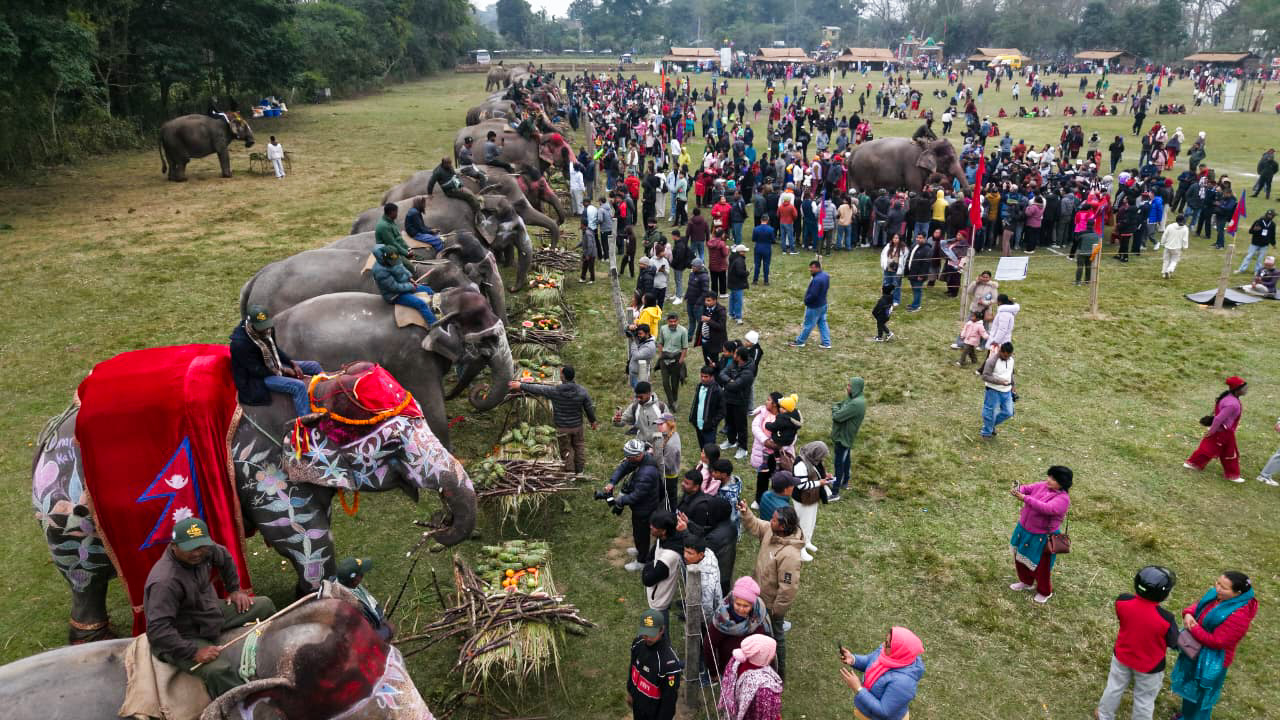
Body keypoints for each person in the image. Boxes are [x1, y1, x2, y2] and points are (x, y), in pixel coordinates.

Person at [144, 518, 277, 698]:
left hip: (210, 612)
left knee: (265, 605)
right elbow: (158, 630)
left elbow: (224, 557)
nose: (198, 553)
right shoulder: (165, 582)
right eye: (191, 548)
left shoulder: (204, 549)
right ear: (174, 546)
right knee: (219, 671)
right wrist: (193, 652)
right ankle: (247, 705)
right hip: (184, 633)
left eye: (201, 546)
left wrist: (234, 590)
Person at [1094, 566, 1179, 720]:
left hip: (1122, 656)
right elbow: (1174, 643)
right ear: (1163, 594)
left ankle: (1104, 715)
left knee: (1114, 687)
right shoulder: (1166, 619)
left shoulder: (1122, 601)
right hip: (1150, 667)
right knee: (1144, 699)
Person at [1170, 572, 1258, 720]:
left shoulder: (1239, 615)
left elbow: (1217, 641)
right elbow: (1199, 605)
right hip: (1198, 651)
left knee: (1201, 697)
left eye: (1223, 587)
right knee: (1192, 689)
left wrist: (1193, 628)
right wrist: (1188, 614)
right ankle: (1187, 715)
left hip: (1212, 661)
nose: (1217, 588)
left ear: (1237, 593)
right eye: (1217, 583)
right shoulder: (1218, 595)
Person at [736, 500, 803, 679]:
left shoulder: (790, 555)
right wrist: (746, 511)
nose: (770, 521)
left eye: (774, 520)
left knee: (776, 636)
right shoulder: (771, 532)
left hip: (771, 607)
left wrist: (776, 611)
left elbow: (788, 589)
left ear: (783, 526)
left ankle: (779, 673)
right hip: (758, 598)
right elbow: (757, 525)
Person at [229, 305, 325, 421]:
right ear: (251, 324)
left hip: (274, 364)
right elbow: (256, 370)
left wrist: (292, 363)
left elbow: (275, 349)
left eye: (266, 326)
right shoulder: (239, 344)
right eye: (261, 328)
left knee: (314, 366)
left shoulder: (267, 329)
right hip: (256, 378)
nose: (266, 330)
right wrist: (283, 370)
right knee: (298, 386)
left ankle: (327, 398)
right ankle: (306, 421)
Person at [508, 365, 597, 474]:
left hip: (562, 427)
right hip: (577, 426)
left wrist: (521, 385)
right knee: (579, 446)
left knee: (566, 449)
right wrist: (593, 421)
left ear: (563, 376)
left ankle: (570, 472)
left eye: (561, 373)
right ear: (573, 376)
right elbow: (588, 407)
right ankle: (580, 471)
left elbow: (538, 389)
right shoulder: (582, 391)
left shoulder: (555, 391)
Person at [1008, 465, 1073, 604]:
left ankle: (1044, 592)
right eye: (1049, 476)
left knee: (1042, 566)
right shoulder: (1042, 485)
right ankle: (1026, 582)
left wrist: (1025, 498)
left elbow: (1047, 509)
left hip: (1043, 537)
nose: (1049, 480)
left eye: (1053, 479)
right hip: (1024, 530)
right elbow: (1027, 488)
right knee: (1020, 558)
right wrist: (1018, 490)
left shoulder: (1063, 499)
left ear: (1063, 482)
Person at [838, 627, 925, 720]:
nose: (883, 645)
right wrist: (853, 660)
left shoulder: (903, 683)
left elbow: (884, 712)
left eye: (887, 644)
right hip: (868, 711)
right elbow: (870, 660)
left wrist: (858, 689)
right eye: (885, 640)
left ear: (899, 651)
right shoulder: (886, 652)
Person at [604, 439, 664, 572]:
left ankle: (642, 561)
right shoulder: (641, 459)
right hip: (641, 506)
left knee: (642, 534)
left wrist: (620, 501)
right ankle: (639, 550)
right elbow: (624, 467)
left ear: (637, 456)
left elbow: (637, 495)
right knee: (637, 531)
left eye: (628, 457)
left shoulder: (646, 473)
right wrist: (612, 482)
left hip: (645, 508)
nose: (626, 459)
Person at [703, 576, 773, 680]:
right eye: (738, 604)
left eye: (746, 606)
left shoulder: (759, 612)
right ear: (733, 600)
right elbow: (709, 646)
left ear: (753, 604)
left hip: (754, 669)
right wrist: (713, 672)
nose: (741, 609)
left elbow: (767, 640)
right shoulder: (722, 618)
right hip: (729, 668)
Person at [1184, 376, 1247, 483]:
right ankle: (1232, 475)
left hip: (1223, 431)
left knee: (1223, 451)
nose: (1246, 390)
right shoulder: (1232, 404)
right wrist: (1211, 431)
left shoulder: (1228, 396)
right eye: (1244, 388)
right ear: (1237, 390)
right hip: (1223, 432)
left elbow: (1217, 411)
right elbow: (1218, 418)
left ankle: (1193, 463)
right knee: (1223, 452)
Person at [627, 608, 683, 720]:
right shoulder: (638, 643)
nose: (646, 637)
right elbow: (632, 669)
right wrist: (630, 691)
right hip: (638, 707)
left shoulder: (669, 664)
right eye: (644, 632)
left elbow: (669, 703)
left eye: (651, 634)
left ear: (662, 630)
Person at [717, 635, 784, 720]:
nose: (774, 655)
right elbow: (767, 714)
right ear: (761, 657)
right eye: (771, 652)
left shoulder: (737, 662)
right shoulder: (765, 688)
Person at [371, 244, 438, 327]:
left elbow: (402, 268)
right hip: (395, 295)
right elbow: (394, 287)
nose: (395, 262)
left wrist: (410, 277)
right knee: (421, 304)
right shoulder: (380, 271)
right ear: (385, 259)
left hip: (406, 285)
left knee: (428, 289)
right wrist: (410, 286)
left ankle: (437, 309)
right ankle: (435, 325)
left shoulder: (392, 256)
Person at [333, 556, 393, 642]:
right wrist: (387, 631)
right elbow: (364, 637)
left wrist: (380, 617)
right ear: (355, 580)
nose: (363, 575)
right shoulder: (352, 608)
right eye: (361, 574)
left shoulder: (344, 583)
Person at [642, 511, 683, 629]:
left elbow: (647, 580)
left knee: (659, 633)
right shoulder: (665, 538)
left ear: (663, 530)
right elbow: (651, 555)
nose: (650, 526)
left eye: (654, 526)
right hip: (658, 596)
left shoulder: (669, 557)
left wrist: (647, 566)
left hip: (659, 602)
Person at [792, 441, 831, 561]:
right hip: (802, 499)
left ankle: (807, 541)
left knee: (810, 521)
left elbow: (816, 473)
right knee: (802, 524)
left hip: (812, 497)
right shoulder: (800, 464)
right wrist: (819, 483)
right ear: (815, 453)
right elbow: (801, 485)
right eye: (821, 456)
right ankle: (800, 549)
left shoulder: (813, 460)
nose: (822, 459)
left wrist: (825, 477)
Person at [830, 378, 866, 501]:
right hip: (846, 437)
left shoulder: (856, 403)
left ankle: (835, 492)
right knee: (846, 460)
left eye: (850, 386)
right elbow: (839, 404)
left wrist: (836, 409)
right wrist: (838, 407)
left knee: (838, 463)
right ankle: (844, 482)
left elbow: (837, 416)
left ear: (856, 387)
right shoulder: (854, 399)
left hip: (843, 438)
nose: (847, 387)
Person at [719, 346, 756, 460]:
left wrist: (728, 382)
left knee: (741, 426)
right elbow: (722, 373)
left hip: (740, 401)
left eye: (735, 353)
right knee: (729, 421)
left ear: (739, 357)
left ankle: (743, 448)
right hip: (728, 398)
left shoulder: (748, 371)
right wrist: (730, 380)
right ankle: (731, 441)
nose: (733, 355)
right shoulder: (734, 363)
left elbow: (735, 386)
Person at [426, 157, 483, 223]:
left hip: (455, 186)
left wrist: (460, 185)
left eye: (450, 163)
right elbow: (431, 183)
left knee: (469, 192)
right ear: (443, 163)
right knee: (469, 197)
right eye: (448, 164)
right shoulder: (437, 172)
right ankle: (478, 214)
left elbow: (455, 176)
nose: (450, 165)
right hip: (450, 191)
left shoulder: (449, 167)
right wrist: (429, 194)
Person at [790, 260, 831, 349]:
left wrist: (806, 301)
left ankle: (800, 341)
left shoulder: (817, 280)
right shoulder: (825, 276)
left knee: (808, 325)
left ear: (817, 267)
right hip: (823, 304)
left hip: (814, 307)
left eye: (811, 268)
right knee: (822, 323)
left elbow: (813, 294)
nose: (810, 270)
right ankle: (826, 343)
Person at [682, 536, 721, 624]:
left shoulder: (705, 581)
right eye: (684, 551)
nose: (685, 555)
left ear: (700, 555)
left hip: (708, 618)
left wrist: (697, 622)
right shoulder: (707, 552)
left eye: (690, 553)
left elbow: (707, 608)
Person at [980, 341, 1015, 439]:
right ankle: (986, 432)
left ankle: (990, 426)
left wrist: (1013, 386)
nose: (1007, 358)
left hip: (1007, 391)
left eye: (1009, 356)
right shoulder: (991, 361)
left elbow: (1010, 373)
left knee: (1009, 412)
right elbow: (985, 376)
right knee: (989, 412)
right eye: (1006, 356)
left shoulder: (1011, 360)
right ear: (1001, 351)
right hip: (993, 390)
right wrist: (1000, 381)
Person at [656, 314, 688, 413]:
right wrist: (661, 355)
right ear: (667, 321)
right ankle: (671, 402)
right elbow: (660, 343)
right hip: (664, 359)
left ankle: (674, 400)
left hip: (676, 359)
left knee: (675, 383)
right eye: (671, 321)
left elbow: (685, 347)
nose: (673, 323)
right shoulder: (663, 329)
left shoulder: (683, 331)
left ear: (678, 321)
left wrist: (681, 360)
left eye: (675, 321)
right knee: (665, 383)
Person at [689, 365, 725, 450]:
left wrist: (712, 424)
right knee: (702, 448)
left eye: (706, 377)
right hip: (698, 425)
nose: (703, 379)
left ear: (712, 377)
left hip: (709, 428)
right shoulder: (699, 386)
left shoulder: (718, 391)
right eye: (701, 376)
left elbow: (722, 411)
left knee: (709, 451)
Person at [655, 412, 682, 508]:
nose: (658, 426)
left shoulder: (671, 445)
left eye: (661, 424)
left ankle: (672, 516)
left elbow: (667, 466)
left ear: (670, 424)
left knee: (670, 499)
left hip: (668, 476)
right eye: (658, 424)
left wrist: (654, 457)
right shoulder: (671, 433)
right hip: (669, 474)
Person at [1238, 209, 1276, 275]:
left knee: (1260, 259)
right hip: (1255, 243)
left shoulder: (1273, 224)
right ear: (1266, 214)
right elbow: (1250, 231)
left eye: (1272, 215)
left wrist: (1273, 244)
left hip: (1264, 244)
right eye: (1269, 215)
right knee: (1249, 256)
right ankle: (1241, 269)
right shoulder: (1259, 221)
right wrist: (1255, 230)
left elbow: (1272, 235)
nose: (1270, 216)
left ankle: (1257, 271)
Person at [695, 292, 727, 367]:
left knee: (713, 362)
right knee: (706, 360)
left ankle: (714, 376)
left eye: (709, 300)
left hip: (713, 342)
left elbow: (721, 326)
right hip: (704, 340)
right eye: (705, 300)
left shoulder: (721, 310)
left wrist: (709, 320)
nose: (706, 302)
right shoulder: (705, 308)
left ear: (715, 300)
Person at [904, 232, 931, 312]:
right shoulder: (914, 246)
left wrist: (921, 275)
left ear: (925, 239)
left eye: (920, 238)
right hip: (912, 272)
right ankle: (915, 303)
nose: (918, 239)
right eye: (917, 237)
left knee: (917, 290)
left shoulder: (927, 249)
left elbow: (926, 264)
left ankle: (916, 306)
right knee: (914, 289)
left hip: (919, 275)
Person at [1160, 214, 1190, 279]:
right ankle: (1169, 270)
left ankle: (1164, 273)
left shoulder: (1170, 226)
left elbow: (1165, 235)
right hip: (1177, 248)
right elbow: (1185, 239)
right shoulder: (1185, 229)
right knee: (1174, 260)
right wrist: (1185, 247)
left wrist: (1162, 243)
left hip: (1168, 246)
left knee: (1166, 260)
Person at [728, 244, 749, 324]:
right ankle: (738, 317)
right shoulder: (740, 260)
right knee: (738, 301)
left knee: (732, 299)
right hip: (737, 284)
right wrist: (746, 273)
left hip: (732, 282)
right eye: (744, 251)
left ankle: (731, 314)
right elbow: (740, 272)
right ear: (740, 252)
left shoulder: (733, 257)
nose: (745, 253)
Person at [751, 214, 775, 283]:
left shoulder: (756, 229)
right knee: (766, 264)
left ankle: (755, 280)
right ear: (767, 220)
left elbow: (753, 239)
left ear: (760, 220)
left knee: (757, 264)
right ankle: (766, 280)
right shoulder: (771, 229)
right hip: (767, 248)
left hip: (758, 247)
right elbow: (773, 240)